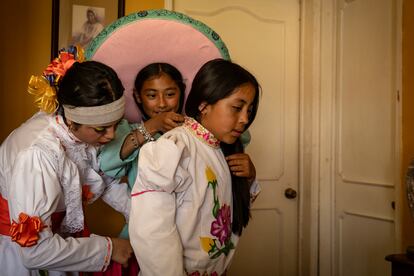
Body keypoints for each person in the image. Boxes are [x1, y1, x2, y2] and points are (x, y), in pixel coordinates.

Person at [0, 46, 133, 275]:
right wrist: (109, 248)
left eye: (116, 124)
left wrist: (148, 217)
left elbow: (105, 180)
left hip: (60, 244)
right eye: (101, 129)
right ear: (72, 121)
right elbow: (35, 252)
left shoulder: (78, 134)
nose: (111, 135)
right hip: (21, 257)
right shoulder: (37, 155)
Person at [129, 58, 261, 275]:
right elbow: (152, 234)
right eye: (237, 108)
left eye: (250, 109)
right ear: (203, 105)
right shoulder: (174, 148)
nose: (245, 119)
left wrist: (249, 178)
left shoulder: (220, 149)